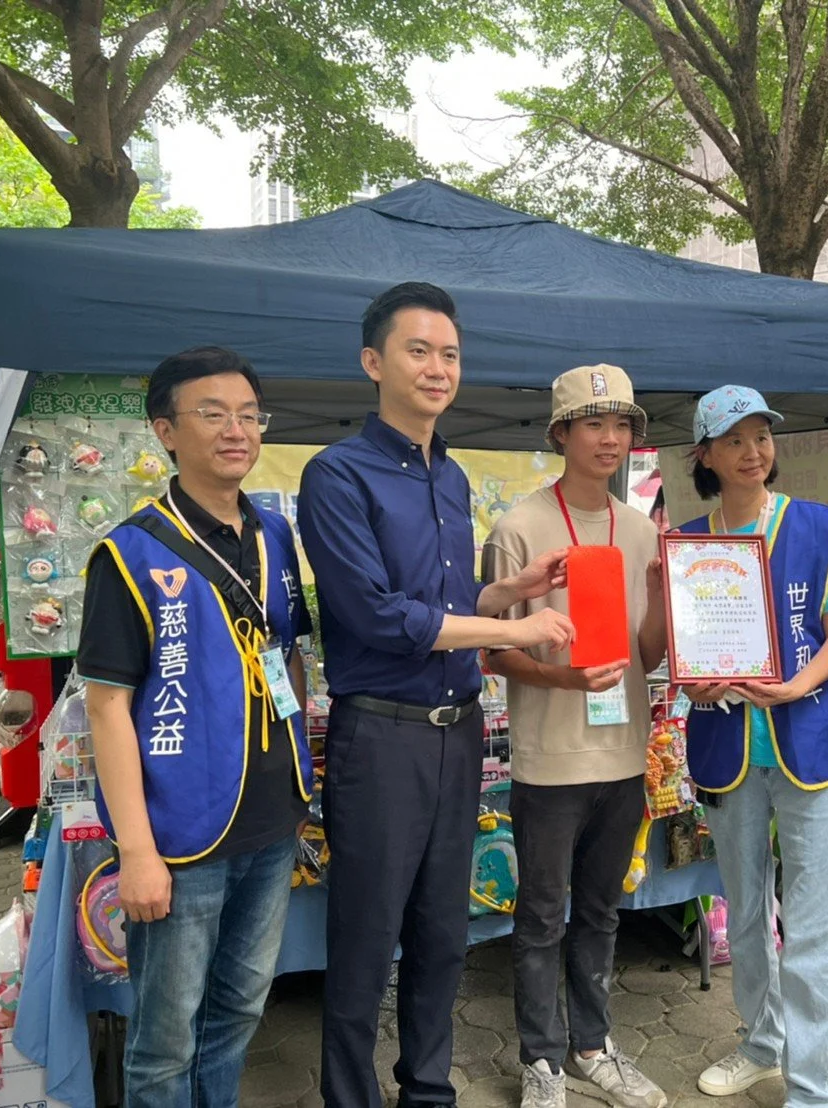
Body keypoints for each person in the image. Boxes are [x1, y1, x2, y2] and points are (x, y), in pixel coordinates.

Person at [299, 282, 576, 1108]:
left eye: (449, 353)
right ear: (372, 362)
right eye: (418, 350)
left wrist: (511, 591)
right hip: (380, 738)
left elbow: (448, 610)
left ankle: (428, 1090)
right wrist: (514, 633)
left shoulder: (450, 478)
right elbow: (381, 618)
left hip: (459, 736)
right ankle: (350, 1098)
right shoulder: (337, 475)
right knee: (365, 940)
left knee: (442, 934)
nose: (437, 367)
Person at [78, 346, 315, 1108]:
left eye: (249, 415)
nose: (236, 430)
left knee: (239, 1011)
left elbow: (289, 657)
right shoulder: (129, 552)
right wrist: (136, 850)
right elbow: (107, 706)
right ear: (165, 431)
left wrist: (304, 780)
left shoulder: (275, 533)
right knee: (165, 1036)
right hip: (181, 835)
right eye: (212, 413)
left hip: (272, 824)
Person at [679, 386, 828, 1108]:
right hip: (730, 742)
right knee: (746, 908)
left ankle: (813, 1086)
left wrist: (794, 689)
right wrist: (696, 683)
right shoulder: (692, 547)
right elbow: (690, 652)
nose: (754, 452)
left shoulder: (819, 529)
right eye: (734, 440)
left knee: (818, 920)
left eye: (762, 436)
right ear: (705, 454)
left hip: (810, 741)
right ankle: (762, 1043)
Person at [482, 365, 668, 1108]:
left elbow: (647, 655)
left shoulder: (641, 528)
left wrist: (666, 599)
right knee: (540, 916)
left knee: (600, 910)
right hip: (550, 759)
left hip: (624, 754)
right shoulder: (518, 526)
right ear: (562, 433)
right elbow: (494, 651)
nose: (611, 439)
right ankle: (539, 1060)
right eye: (594, 423)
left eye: (622, 425)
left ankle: (593, 1047)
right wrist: (563, 680)